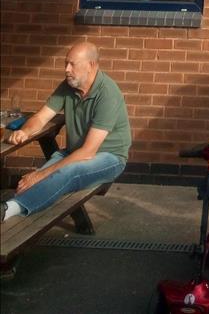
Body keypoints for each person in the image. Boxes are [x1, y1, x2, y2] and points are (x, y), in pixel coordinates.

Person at [1, 41, 131, 223]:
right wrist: (25, 131)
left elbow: (88, 152)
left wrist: (40, 174)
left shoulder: (107, 93)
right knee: (31, 182)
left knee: (66, 172)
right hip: (73, 152)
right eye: (65, 64)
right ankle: (8, 211)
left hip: (109, 157)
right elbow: (41, 117)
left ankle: (7, 210)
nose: (67, 69)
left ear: (91, 65)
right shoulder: (69, 85)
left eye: (72, 64)